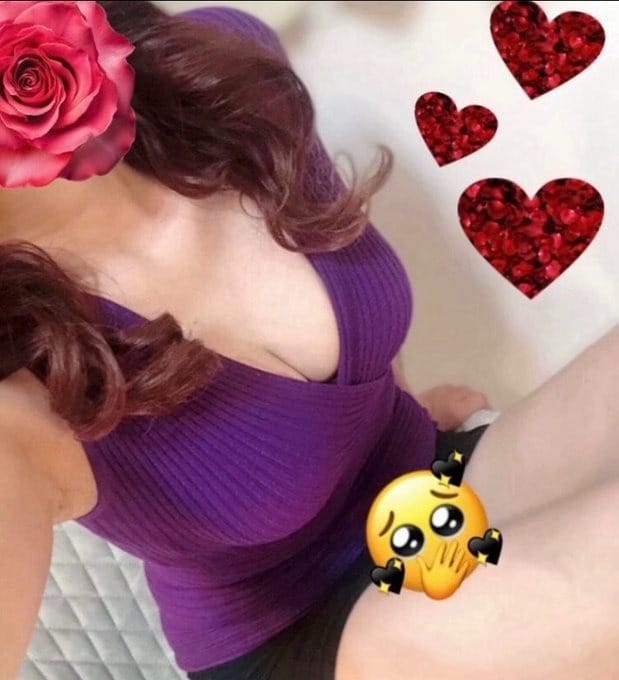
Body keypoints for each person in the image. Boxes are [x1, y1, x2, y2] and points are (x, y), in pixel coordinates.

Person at [0, 3, 616, 680]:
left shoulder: (222, 73)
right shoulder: (16, 381)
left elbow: (341, 277)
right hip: (301, 636)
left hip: (423, 485)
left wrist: (378, 407)